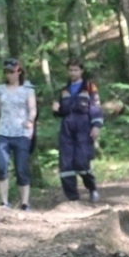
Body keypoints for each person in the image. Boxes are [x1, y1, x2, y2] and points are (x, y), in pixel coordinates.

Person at [0, 58, 37, 210]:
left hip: (21, 133)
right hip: (3, 132)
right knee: (1, 166)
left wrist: (30, 120)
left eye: (12, 72)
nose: (9, 75)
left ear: (19, 72)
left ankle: (25, 203)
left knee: (21, 169)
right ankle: (4, 202)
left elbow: (32, 108)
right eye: (6, 72)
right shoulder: (0, 89)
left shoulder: (28, 89)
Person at [52, 57, 103, 202]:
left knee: (81, 162)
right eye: (70, 70)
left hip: (84, 126)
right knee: (66, 164)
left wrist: (96, 126)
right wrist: (56, 110)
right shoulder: (64, 90)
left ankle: (92, 187)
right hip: (67, 128)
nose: (73, 73)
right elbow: (60, 111)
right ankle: (73, 198)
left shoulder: (89, 87)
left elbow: (95, 107)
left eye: (75, 70)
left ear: (81, 71)